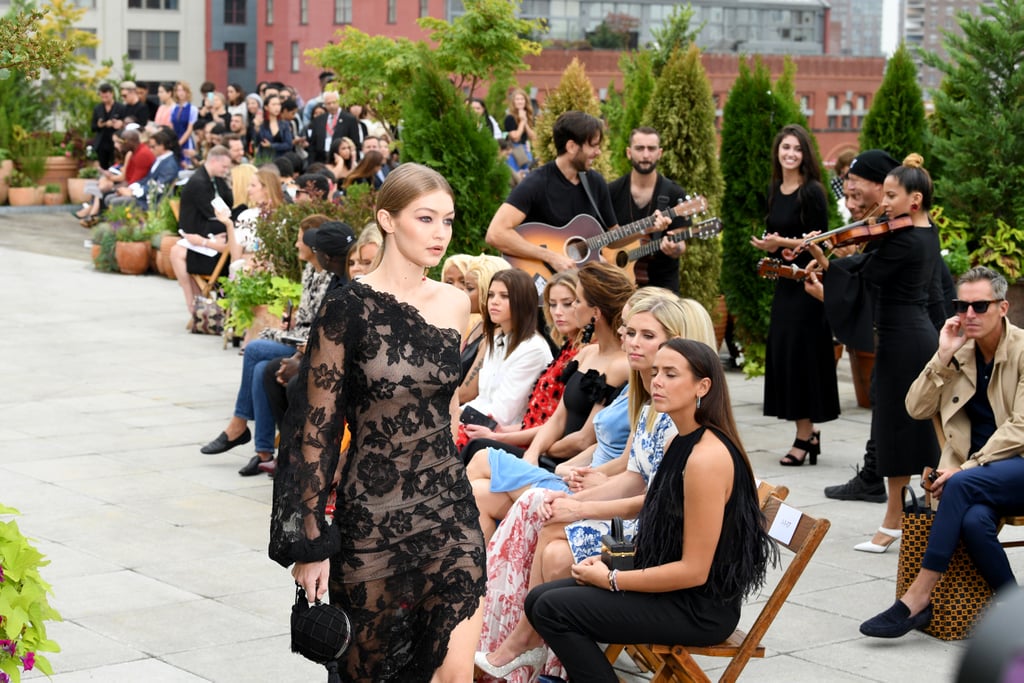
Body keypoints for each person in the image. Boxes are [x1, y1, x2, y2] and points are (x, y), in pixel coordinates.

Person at [269, 163, 486, 681]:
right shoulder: (347, 308)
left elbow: (446, 406)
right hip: (373, 519)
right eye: (426, 218)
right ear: (387, 220)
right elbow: (313, 431)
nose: (440, 234)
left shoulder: (457, 303)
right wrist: (311, 539)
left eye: (448, 221)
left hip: (447, 511)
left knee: (453, 675)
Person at [475, 291, 717, 681]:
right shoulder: (655, 404)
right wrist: (578, 496)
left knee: (550, 534)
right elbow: (634, 475)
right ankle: (518, 641)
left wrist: (581, 505)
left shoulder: (691, 430)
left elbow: (656, 505)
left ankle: (528, 646)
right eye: (630, 332)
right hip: (644, 530)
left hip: (658, 550)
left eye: (647, 336)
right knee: (542, 510)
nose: (633, 343)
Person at [522, 338, 776, 682]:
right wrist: (610, 560)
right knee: (539, 599)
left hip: (698, 608)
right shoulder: (679, 441)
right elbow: (662, 530)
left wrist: (612, 579)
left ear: (703, 386)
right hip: (670, 590)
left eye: (671, 374)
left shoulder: (707, 458)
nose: (656, 381)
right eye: (656, 372)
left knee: (553, 610)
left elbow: (695, 571)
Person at [860, 266, 1024, 638]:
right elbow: (915, 408)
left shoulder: (1023, 350)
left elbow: (1021, 427)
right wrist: (942, 356)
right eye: (961, 306)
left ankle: (917, 597)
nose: (968, 315)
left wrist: (967, 468)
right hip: (979, 478)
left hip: (1010, 468)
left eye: (979, 306)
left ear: (1003, 307)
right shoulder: (960, 353)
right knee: (972, 522)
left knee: (961, 487)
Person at [806, 154, 941, 553]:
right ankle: (907, 518)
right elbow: (869, 260)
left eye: (892, 196)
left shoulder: (908, 241)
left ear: (914, 201)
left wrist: (827, 269)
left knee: (898, 429)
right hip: (907, 337)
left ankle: (894, 524)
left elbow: (866, 273)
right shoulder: (920, 231)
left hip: (905, 340)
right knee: (900, 428)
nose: (884, 204)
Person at [466, 263, 633, 538]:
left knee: (482, 458)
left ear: (596, 312)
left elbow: (584, 438)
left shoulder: (620, 367)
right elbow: (557, 419)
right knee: (478, 488)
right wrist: (531, 454)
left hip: (569, 465)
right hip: (549, 456)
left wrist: (541, 453)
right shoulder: (587, 354)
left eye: (575, 301)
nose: (565, 309)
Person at [200, 221, 349, 476]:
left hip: (317, 348)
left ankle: (243, 429)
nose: (296, 244)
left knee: (257, 351)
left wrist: (300, 354)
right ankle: (265, 452)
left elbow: (326, 329)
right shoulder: (315, 272)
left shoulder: (335, 278)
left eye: (300, 239)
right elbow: (310, 319)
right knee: (261, 368)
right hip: (306, 340)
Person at [750, 124, 840, 466]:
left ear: (805, 154)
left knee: (802, 359)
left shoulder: (812, 191)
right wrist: (777, 250)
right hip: (785, 283)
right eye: (785, 147)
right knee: (785, 356)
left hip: (808, 287)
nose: (790, 154)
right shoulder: (775, 188)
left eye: (797, 149)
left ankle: (804, 437)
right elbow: (787, 238)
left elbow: (822, 241)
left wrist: (781, 244)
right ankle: (809, 433)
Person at [485, 111, 667, 278]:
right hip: (539, 281)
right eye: (593, 146)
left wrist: (646, 228)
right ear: (572, 146)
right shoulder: (537, 182)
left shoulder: (595, 183)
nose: (598, 152)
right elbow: (496, 233)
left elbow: (613, 239)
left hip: (578, 288)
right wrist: (551, 257)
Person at [459, 268, 553, 439]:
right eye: (491, 295)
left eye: (504, 296)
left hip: (504, 435)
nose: (494, 302)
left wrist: (454, 417)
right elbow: (483, 399)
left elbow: (502, 416)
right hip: (478, 424)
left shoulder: (533, 349)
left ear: (522, 301)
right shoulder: (497, 340)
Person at [607, 127, 691, 291]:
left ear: (659, 153)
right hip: (617, 283)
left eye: (651, 149)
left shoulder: (674, 193)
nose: (646, 155)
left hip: (662, 286)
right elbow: (603, 238)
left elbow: (681, 243)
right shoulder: (612, 191)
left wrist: (675, 248)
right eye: (639, 148)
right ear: (629, 152)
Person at [170, 146, 234, 315]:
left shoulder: (216, 180)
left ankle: (196, 303)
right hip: (200, 231)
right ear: (213, 161)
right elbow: (212, 213)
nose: (226, 170)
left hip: (210, 235)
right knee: (177, 252)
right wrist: (212, 239)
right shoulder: (199, 182)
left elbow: (228, 204)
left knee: (176, 253)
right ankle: (195, 303)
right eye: (224, 167)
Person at [308, 90, 360, 164]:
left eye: (334, 102)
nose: (331, 105)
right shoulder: (319, 120)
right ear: (324, 104)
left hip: (342, 160)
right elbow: (312, 144)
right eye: (328, 103)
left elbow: (355, 142)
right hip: (321, 160)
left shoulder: (349, 119)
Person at [90, 83, 125, 169]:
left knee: (115, 165)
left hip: (115, 142)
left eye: (106, 97)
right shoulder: (98, 108)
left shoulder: (120, 107)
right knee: (103, 166)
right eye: (102, 97)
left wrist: (118, 123)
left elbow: (125, 123)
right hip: (102, 143)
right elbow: (93, 127)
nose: (104, 99)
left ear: (112, 94)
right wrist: (100, 125)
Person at [255, 94, 293, 159]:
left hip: (282, 159)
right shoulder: (261, 124)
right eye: (274, 104)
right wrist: (257, 127)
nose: (277, 107)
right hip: (265, 159)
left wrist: (272, 145)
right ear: (266, 107)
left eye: (278, 104)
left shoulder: (284, 124)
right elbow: (257, 142)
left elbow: (289, 144)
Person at [170, 81, 198, 164]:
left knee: (186, 162)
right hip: (175, 137)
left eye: (183, 90)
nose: (180, 93)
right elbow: (171, 125)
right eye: (178, 90)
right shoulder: (174, 108)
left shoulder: (192, 109)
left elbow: (189, 129)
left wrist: (179, 143)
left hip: (185, 139)